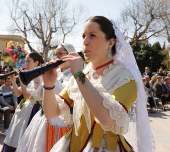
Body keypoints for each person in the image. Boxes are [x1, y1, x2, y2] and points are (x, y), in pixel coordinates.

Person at [42, 16, 155, 151]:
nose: (85, 42)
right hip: (71, 145)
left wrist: (79, 75)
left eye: (92, 35)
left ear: (110, 42)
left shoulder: (126, 77)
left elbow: (107, 119)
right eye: (83, 36)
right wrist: (48, 85)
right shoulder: (82, 74)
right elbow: (51, 113)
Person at [17, 43, 76, 152]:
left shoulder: (73, 74)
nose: (56, 58)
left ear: (70, 55)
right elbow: (39, 95)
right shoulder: (56, 72)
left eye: (60, 54)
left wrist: (51, 80)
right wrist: (37, 79)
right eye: (55, 54)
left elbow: (66, 94)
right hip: (43, 117)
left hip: (60, 119)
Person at [1, 52, 44, 152]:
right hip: (24, 109)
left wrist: (21, 79)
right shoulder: (28, 76)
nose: (26, 64)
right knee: (14, 136)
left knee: (23, 139)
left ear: (36, 63)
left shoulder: (39, 78)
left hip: (33, 109)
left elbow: (27, 96)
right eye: (26, 61)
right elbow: (17, 94)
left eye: (28, 61)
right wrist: (12, 81)